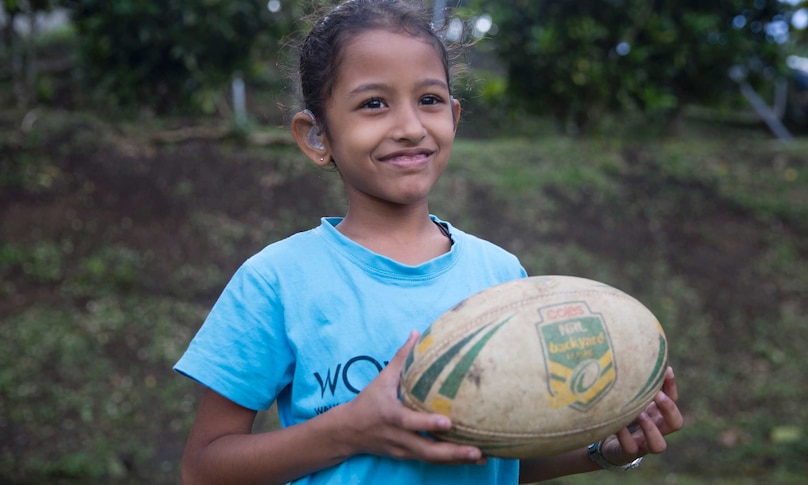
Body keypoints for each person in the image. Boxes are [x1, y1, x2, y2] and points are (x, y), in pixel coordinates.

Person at [173, 1, 684, 484]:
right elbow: (203, 469)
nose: (411, 127)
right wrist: (349, 429)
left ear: (454, 119)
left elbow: (493, 456)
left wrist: (602, 450)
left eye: (429, 100)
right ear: (317, 136)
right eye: (374, 103)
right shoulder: (277, 281)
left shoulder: (502, 278)